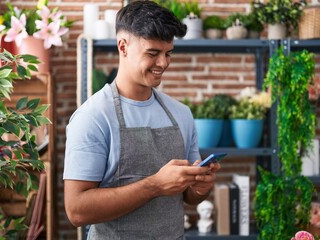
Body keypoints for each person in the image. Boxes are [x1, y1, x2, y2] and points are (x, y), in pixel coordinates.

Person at [63, 1, 221, 239]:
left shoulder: (181, 114)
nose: (163, 63)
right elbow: (77, 210)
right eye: (153, 53)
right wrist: (155, 185)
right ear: (123, 47)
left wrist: (200, 188)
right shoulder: (92, 117)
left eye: (168, 53)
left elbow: (188, 197)